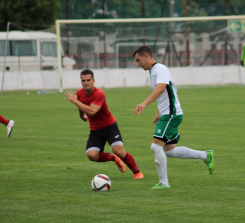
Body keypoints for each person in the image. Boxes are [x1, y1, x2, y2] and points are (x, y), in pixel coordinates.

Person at [132, 45, 214, 189]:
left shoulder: (160, 69)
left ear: (146, 56)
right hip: (168, 114)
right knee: (170, 151)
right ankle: (206, 156)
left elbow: (161, 87)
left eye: (139, 60)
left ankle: (164, 183)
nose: (137, 64)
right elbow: (166, 94)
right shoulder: (153, 71)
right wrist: (159, 112)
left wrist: (145, 103)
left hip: (171, 115)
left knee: (155, 147)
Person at [64, 69, 144, 179]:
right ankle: (114, 158)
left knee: (118, 150)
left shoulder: (99, 93)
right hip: (95, 130)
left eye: (88, 80)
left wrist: (75, 101)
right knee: (91, 155)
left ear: (93, 80)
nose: (86, 83)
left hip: (109, 126)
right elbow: (81, 104)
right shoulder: (79, 93)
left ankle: (137, 173)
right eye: (83, 81)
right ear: (81, 81)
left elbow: (92, 111)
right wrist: (81, 116)